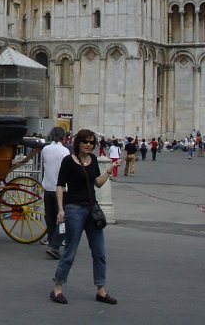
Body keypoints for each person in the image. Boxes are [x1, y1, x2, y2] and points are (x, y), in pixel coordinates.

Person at [50, 129, 116, 306]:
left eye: (92, 142)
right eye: (85, 141)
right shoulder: (67, 161)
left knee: (99, 252)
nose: (88, 145)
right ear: (78, 142)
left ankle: (101, 290)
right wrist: (61, 209)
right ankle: (57, 287)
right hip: (74, 210)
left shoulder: (93, 160)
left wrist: (108, 172)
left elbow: (98, 183)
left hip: (92, 209)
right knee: (70, 251)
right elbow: (59, 186)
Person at [42, 126, 71, 260]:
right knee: (61, 217)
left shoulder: (45, 149)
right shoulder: (64, 151)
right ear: (63, 137)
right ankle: (57, 242)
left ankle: (51, 237)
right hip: (60, 188)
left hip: (47, 186)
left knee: (50, 216)